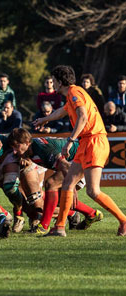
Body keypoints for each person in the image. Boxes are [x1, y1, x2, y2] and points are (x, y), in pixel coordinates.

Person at [33, 65, 126, 237]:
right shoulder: (71, 95)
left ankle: (124, 220)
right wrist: (44, 119)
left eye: (54, 81)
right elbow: (62, 111)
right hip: (86, 142)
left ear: (60, 82)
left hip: (94, 141)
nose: (52, 84)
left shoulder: (75, 92)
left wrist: (70, 141)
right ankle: (60, 227)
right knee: (68, 183)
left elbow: (82, 116)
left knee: (93, 191)